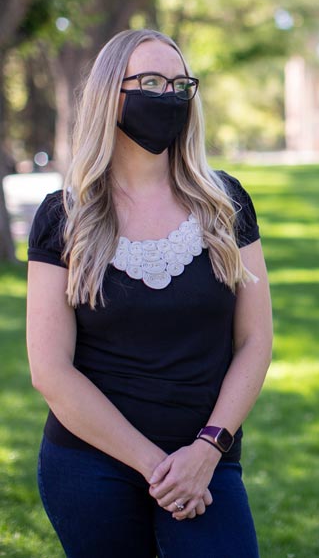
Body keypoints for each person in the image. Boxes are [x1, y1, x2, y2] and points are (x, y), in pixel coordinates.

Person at [26, 29, 273, 557]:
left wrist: (206, 451)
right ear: (110, 93)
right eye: (152, 83)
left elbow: (255, 342)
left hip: (206, 459)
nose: (169, 98)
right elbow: (50, 371)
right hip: (89, 463)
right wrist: (157, 468)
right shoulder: (64, 216)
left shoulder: (225, 203)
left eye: (181, 85)